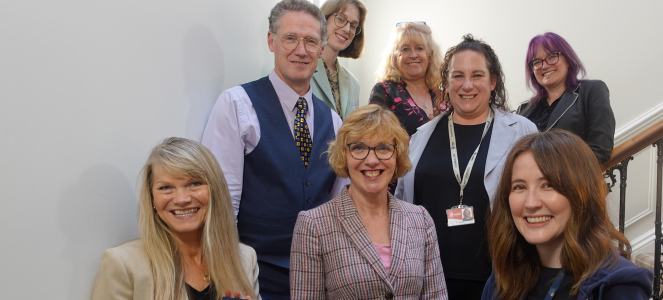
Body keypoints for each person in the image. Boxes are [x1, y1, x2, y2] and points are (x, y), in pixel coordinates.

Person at [201, 0, 348, 298]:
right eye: (290, 38)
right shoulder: (236, 104)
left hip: (318, 277)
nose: (301, 50)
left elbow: (338, 204)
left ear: (321, 49)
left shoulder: (333, 120)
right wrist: (230, 276)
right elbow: (222, 203)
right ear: (272, 41)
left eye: (310, 41)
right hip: (255, 276)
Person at [395, 34, 538, 299]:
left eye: (477, 75)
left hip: (498, 279)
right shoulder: (421, 136)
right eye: (458, 76)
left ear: (493, 81)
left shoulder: (522, 132)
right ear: (447, 83)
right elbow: (402, 203)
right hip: (428, 279)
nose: (467, 85)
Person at [290, 104, 447, 299]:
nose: (372, 160)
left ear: (397, 155)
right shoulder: (313, 225)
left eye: (383, 148)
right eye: (358, 148)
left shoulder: (421, 221)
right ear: (343, 156)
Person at [482, 130, 653, 300]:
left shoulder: (617, 284)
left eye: (548, 185)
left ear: (581, 194)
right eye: (520, 187)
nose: (531, 203)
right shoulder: (503, 278)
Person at [91, 137, 259, 300]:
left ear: (215, 191)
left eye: (194, 184)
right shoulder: (123, 264)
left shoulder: (245, 259)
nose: (181, 199)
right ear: (152, 200)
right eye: (165, 187)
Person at [516, 32, 615, 164]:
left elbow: (600, 149)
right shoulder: (523, 110)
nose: (544, 66)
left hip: (573, 182)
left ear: (568, 59)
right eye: (537, 62)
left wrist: (554, 177)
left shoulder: (592, 90)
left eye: (552, 56)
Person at [369, 21, 443, 137]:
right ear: (394, 58)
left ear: (430, 55)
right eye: (405, 49)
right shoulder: (384, 91)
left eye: (419, 48)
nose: (413, 55)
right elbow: (375, 137)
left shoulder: (442, 95)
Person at [311, 0, 366, 118]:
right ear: (324, 19)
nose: (347, 29)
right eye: (341, 19)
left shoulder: (353, 83)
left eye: (353, 26)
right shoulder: (302, 70)